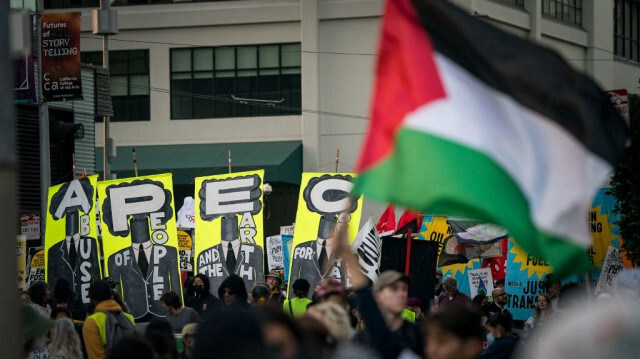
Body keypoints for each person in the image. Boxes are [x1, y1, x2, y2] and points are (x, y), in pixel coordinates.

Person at [47, 177, 102, 305]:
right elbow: (50, 281)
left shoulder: (90, 243)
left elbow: (96, 274)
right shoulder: (54, 250)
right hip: (64, 305)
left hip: (87, 303)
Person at [353, 270, 425, 357]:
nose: (402, 294)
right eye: (394, 289)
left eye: (403, 289)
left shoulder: (418, 335)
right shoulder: (362, 339)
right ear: (377, 296)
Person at [83, 279, 136, 359]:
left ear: (91, 299)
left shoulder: (91, 322)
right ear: (111, 296)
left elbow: (96, 356)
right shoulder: (129, 318)